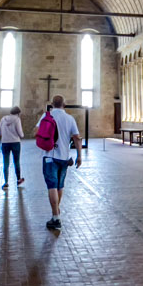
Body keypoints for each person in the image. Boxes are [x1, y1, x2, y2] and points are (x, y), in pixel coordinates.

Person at [42, 95, 82, 230]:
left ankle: (55, 217)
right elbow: (77, 138)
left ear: (52, 104)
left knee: (52, 186)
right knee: (60, 186)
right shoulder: (70, 118)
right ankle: (56, 213)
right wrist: (79, 156)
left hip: (49, 155)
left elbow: (37, 131)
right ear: (64, 104)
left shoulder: (47, 116)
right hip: (64, 157)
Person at [0, 106, 25, 190]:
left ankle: (6, 182)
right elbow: (20, 133)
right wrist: (22, 135)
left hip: (5, 143)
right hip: (15, 142)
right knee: (16, 161)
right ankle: (18, 179)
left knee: (5, 162)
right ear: (18, 113)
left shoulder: (3, 119)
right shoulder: (17, 119)